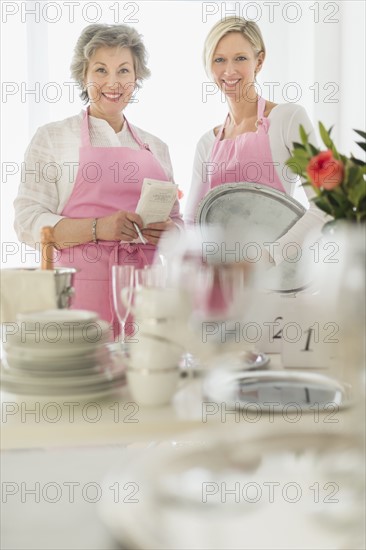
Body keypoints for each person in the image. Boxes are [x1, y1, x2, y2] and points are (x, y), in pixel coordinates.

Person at [14, 24, 183, 325]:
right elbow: (27, 224)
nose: (113, 82)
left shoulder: (157, 147)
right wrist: (98, 228)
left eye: (123, 71)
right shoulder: (53, 138)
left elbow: (179, 225)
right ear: (84, 75)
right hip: (78, 307)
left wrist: (173, 234)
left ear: (136, 77)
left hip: (147, 309)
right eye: (101, 70)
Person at [185, 17, 325, 266]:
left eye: (240, 58)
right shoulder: (207, 143)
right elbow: (192, 224)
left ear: (259, 61)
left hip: (273, 285)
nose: (229, 71)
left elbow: (326, 206)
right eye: (219, 60)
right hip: (220, 285)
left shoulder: (289, 118)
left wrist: (269, 257)